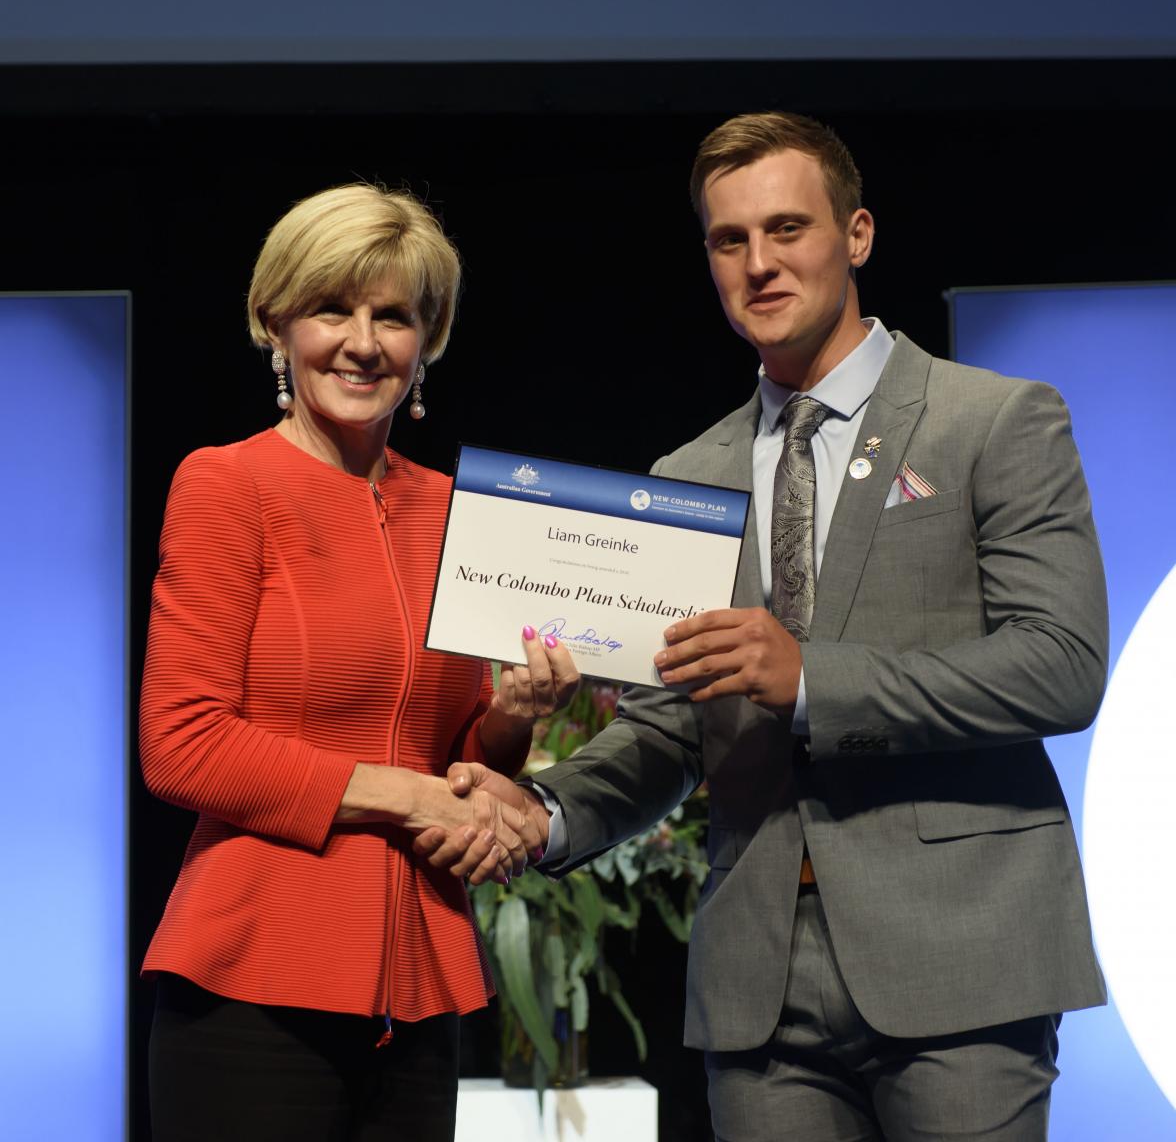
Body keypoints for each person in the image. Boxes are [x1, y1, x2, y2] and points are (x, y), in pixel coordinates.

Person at [416, 113, 1109, 1141]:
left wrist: (811, 680)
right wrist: (543, 813)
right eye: (729, 240)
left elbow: (1061, 667)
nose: (760, 263)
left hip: (963, 956)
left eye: (788, 228)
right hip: (759, 980)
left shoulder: (995, 421)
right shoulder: (686, 480)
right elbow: (668, 730)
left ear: (858, 234)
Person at [139, 183, 576, 1142]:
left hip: (415, 985)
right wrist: (410, 796)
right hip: (253, 979)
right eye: (333, 309)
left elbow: (458, 753)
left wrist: (513, 719)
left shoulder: (459, 509)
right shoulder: (225, 485)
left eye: (395, 317)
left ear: (431, 339)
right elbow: (180, 747)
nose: (364, 342)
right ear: (274, 322)